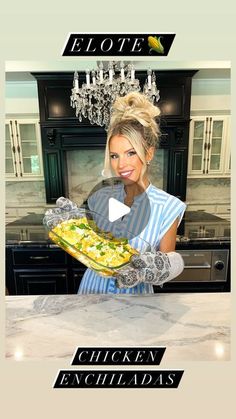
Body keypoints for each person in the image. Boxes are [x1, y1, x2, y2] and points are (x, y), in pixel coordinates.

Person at [77, 92, 186, 294]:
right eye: (114, 156)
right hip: (91, 293)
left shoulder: (169, 206)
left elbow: (168, 264)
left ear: (149, 153)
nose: (121, 164)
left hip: (135, 301)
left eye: (131, 152)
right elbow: (87, 243)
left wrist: (146, 270)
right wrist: (69, 225)